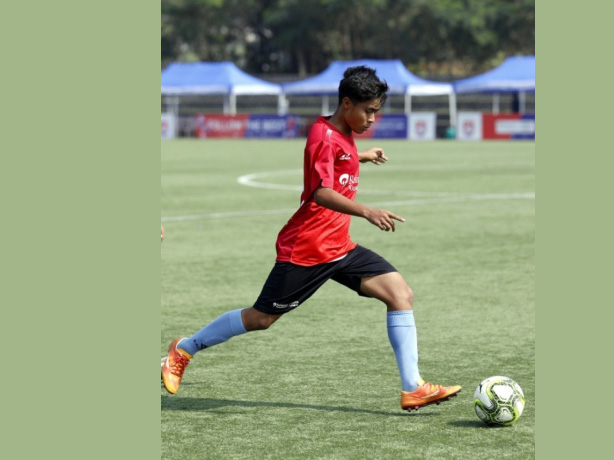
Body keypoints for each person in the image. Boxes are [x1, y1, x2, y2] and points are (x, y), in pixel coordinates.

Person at [161, 66, 461, 411]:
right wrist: (367, 211)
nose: (372, 119)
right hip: (307, 249)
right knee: (261, 318)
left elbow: (337, 158)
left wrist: (361, 156)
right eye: (368, 111)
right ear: (346, 103)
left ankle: (413, 387)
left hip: (340, 247)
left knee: (400, 294)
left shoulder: (342, 133)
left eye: (376, 112)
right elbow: (320, 192)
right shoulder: (323, 135)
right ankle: (184, 349)